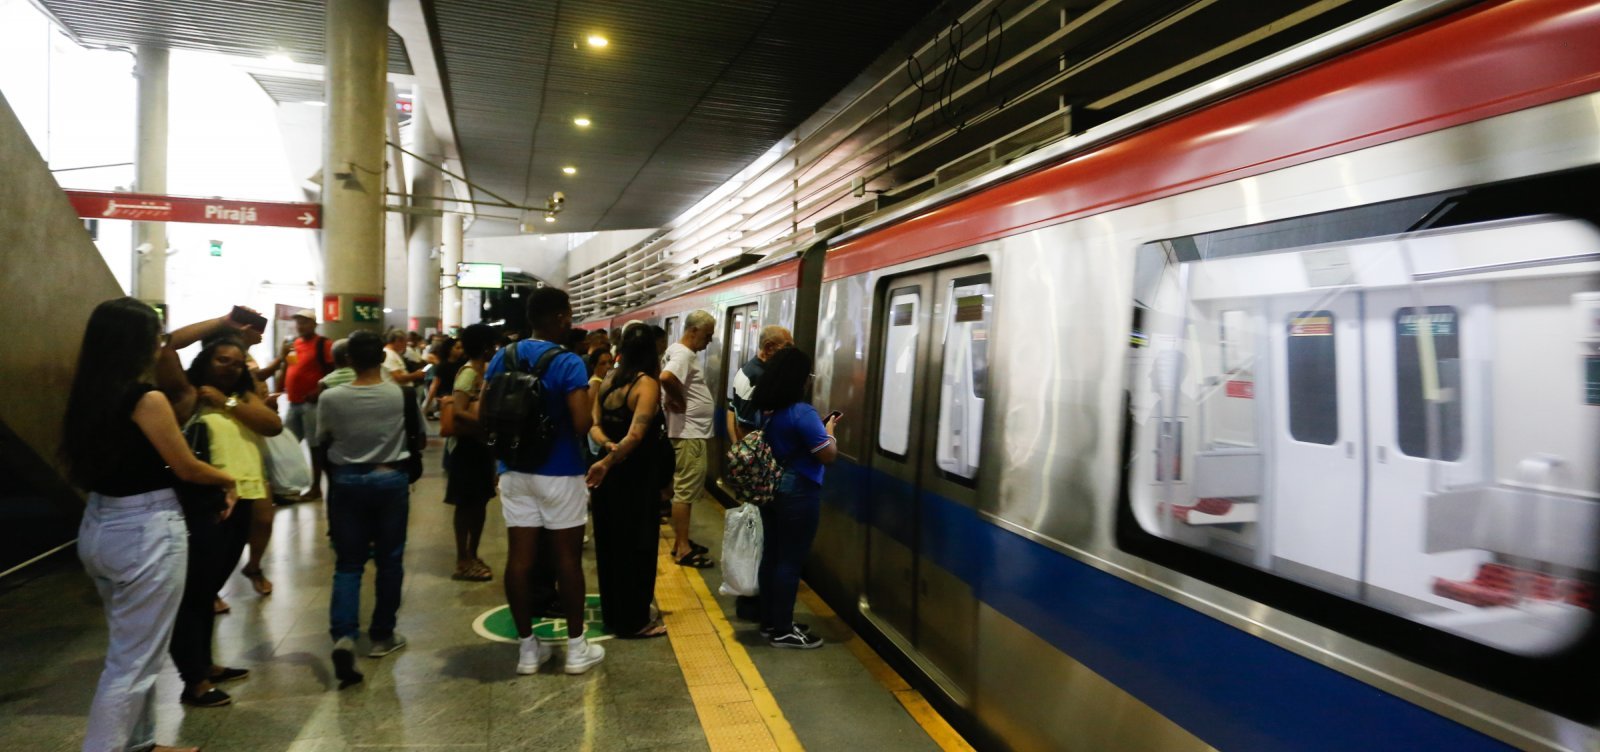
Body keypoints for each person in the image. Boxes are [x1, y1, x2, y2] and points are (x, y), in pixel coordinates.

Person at [62, 298, 236, 752]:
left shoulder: (88, 393)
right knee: (133, 663)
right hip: (146, 529)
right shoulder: (146, 398)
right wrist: (227, 477)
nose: (162, 345)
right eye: (157, 338)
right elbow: (186, 467)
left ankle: (140, 743)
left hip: (100, 524)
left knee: (133, 649)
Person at [484, 287, 604, 675]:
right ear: (560, 318)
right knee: (566, 559)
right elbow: (582, 423)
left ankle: (527, 651)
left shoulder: (504, 356)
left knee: (519, 559)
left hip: (514, 469)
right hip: (560, 471)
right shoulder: (569, 362)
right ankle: (575, 649)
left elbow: (486, 410)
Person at [171, 336, 283, 707]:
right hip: (209, 502)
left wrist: (230, 402)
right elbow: (165, 346)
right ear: (205, 361)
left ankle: (205, 665)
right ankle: (194, 680)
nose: (231, 367)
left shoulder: (240, 396)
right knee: (197, 593)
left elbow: (272, 425)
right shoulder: (188, 394)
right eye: (222, 360)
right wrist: (222, 324)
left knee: (208, 589)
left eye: (237, 362)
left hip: (244, 498)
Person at [316, 330, 414, 688]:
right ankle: (382, 635)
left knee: (348, 563)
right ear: (381, 359)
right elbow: (413, 433)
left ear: (348, 360)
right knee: (390, 560)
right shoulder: (399, 394)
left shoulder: (332, 397)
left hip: (346, 483)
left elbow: (322, 440)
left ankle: (344, 635)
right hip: (391, 480)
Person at [750, 347, 837, 649]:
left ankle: (770, 621)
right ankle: (784, 630)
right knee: (790, 560)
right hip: (798, 492)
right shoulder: (802, 413)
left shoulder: (767, 410)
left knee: (772, 555)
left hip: (771, 489)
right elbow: (827, 454)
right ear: (799, 378)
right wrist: (829, 431)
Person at [585, 332, 667, 638]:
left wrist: (606, 449)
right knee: (638, 547)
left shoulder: (607, 381)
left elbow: (593, 425)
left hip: (609, 480)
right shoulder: (646, 384)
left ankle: (615, 615)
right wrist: (609, 460)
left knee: (610, 548)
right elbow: (635, 436)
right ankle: (635, 621)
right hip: (636, 478)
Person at [257, 309, 334, 504]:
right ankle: (287, 486)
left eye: (305, 322)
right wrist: (277, 392)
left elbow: (333, 371)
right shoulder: (294, 344)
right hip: (293, 402)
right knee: (287, 443)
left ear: (314, 324)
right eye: (298, 322)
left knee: (315, 447)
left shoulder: (323, 344)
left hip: (312, 404)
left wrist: (319, 390)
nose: (300, 326)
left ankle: (316, 487)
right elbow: (288, 368)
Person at [660, 310, 717, 568]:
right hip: (689, 434)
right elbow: (666, 377)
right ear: (693, 331)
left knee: (684, 489)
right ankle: (682, 548)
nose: (710, 341)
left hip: (687, 432)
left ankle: (680, 541)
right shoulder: (683, 354)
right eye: (708, 335)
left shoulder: (676, 350)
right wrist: (679, 400)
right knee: (685, 491)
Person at [442, 325, 498, 582]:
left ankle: (472, 554)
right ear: (485, 347)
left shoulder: (480, 371)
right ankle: (462, 560)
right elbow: (458, 411)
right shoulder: (467, 374)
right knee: (466, 506)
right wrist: (486, 424)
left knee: (478, 504)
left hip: (479, 448)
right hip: (466, 449)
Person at [727, 325, 794, 444]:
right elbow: (746, 429)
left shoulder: (746, 368)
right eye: (787, 348)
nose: (791, 354)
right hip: (756, 457)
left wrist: (736, 447)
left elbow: (732, 410)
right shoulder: (759, 379)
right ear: (768, 347)